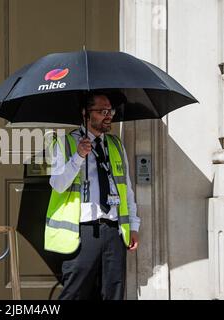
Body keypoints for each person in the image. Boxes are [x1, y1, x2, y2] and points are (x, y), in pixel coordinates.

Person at [44, 91, 140, 300]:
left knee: (114, 292)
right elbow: (58, 185)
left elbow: (127, 188)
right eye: (102, 111)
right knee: (75, 294)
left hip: (114, 230)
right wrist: (78, 156)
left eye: (110, 110)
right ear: (85, 113)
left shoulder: (115, 144)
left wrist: (133, 225)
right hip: (83, 231)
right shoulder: (64, 143)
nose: (109, 116)